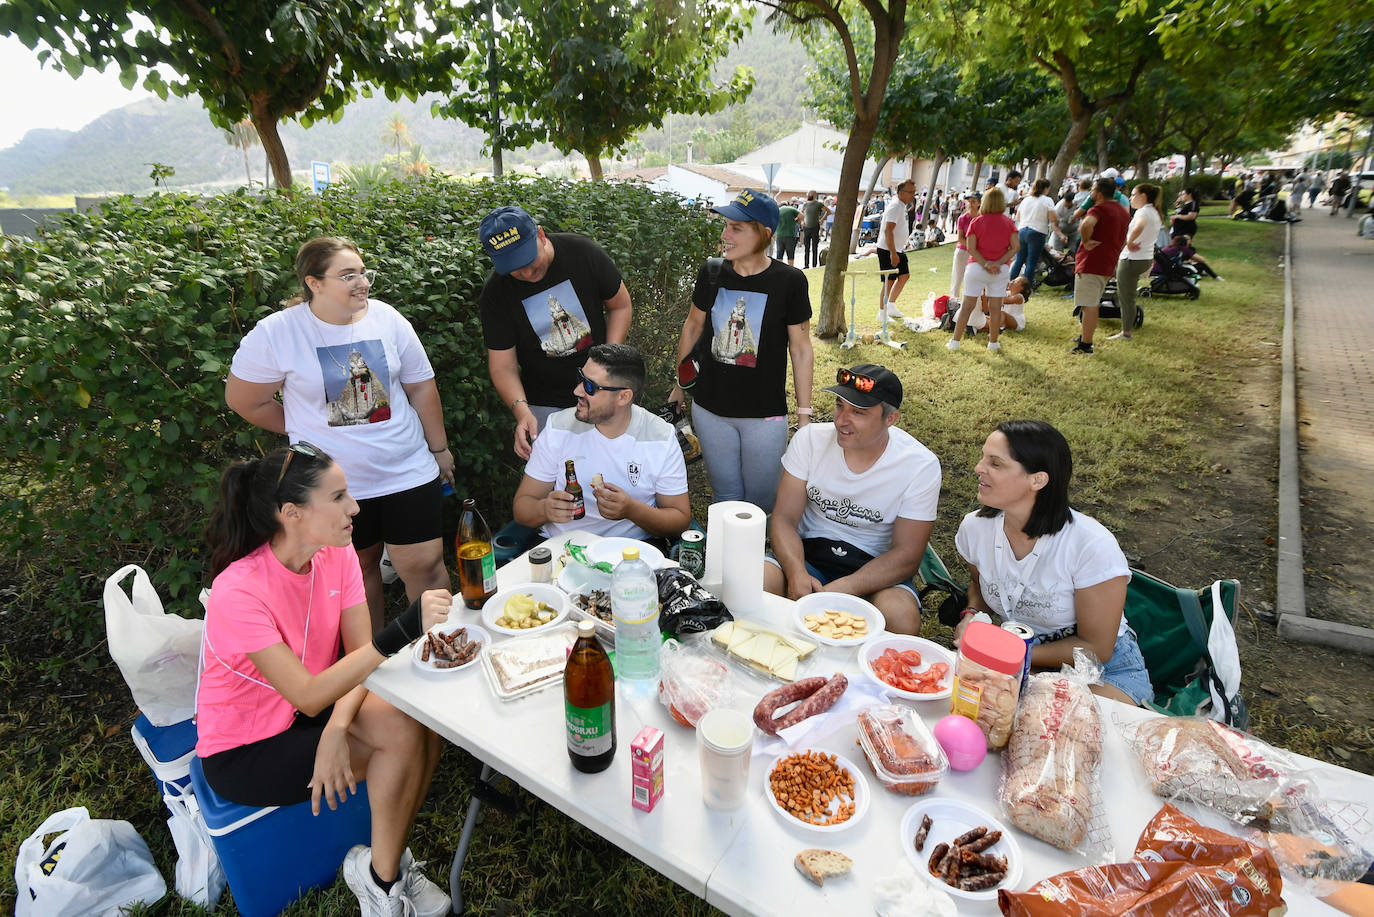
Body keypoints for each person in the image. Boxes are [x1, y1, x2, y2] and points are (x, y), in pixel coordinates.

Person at [197, 444, 452, 917]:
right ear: (292, 513)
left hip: (307, 714)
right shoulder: (239, 590)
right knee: (399, 738)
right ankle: (384, 882)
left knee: (417, 722)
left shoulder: (335, 555)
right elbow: (309, 692)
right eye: (338, 497)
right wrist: (403, 629)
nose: (354, 507)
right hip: (245, 749)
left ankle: (382, 872)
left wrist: (337, 729)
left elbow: (359, 660)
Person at [226, 237, 453, 633]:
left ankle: (443, 649)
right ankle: (371, 672)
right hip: (332, 486)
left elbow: (421, 386)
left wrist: (440, 449)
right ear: (313, 283)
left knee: (425, 567)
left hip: (407, 470)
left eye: (363, 273)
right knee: (356, 575)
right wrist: (300, 427)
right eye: (348, 275)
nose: (362, 282)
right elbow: (247, 401)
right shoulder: (278, 333)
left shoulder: (387, 318)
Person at [952, 421, 1155, 706]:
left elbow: (1097, 648)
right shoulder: (976, 528)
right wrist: (972, 613)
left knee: (1046, 725)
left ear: (1038, 480)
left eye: (995, 464)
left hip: (1102, 672)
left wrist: (1009, 651)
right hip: (1019, 659)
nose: (978, 468)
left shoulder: (1090, 545)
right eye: (983, 457)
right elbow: (978, 585)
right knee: (977, 711)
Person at [764, 365, 940, 636]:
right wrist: (797, 572)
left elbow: (907, 555)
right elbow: (784, 518)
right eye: (839, 405)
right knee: (755, 580)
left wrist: (845, 588)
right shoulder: (810, 439)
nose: (841, 420)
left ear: (890, 419)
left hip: (875, 569)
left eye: (858, 412)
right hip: (807, 556)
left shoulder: (919, 465)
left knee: (901, 618)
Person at [668, 189, 813, 512]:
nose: (725, 235)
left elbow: (801, 349)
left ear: (764, 234)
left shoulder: (789, 281)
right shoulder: (712, 272)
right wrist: (680, 385)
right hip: (710, 410)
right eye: (726, 226)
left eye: (736, 228)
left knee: (762, 503)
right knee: (725, 497)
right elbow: (693, 327)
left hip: (764, 415)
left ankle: (761, 561)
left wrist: (804, 418)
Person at [477, 205, 633, 460]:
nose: (526, 273)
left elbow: (620, 305)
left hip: (606, 391)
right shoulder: (496, 293)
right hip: (545, 403)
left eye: (529, 260)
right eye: (514, 268)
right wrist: (521, 411)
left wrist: (609, 362)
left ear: (540, 235)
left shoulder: (582, 253)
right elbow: (502, 366)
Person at [514, 343, 690, 541]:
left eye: (590, 386)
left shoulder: (659, 437)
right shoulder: (559, 427)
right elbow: (522, 508)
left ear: (624, 397)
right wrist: (544, 509)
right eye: (580, 378)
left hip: (631, 554)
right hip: (563, 550)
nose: (577, 391)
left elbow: (680, 520)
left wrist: (632, 510)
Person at [948, 186, 1019, 353]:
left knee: (967, 305)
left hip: (976, 268)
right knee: (995, 308)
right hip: (1000, 270)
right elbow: (1015, 247)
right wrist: (999, 262)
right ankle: (993, 343)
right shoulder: (1009, 223)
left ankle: (955, 342)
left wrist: (986, 263)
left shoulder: (976, 221)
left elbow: (971, 248)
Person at [1071, 177, 1130, 355]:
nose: (1091, 193)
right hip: (1108, 261)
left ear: (1099, 193)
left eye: (1093, 190)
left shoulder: (1098, 209)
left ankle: (1086, 344)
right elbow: (1124, 238)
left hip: (1092, 261)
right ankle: (1084, 337)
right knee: (1091, 301)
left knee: (1089, 304)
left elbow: (1086, 224)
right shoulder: (1122, 211)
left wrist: (1086, 241)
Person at [1111, 182, 1164, 342]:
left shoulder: (1144, 212)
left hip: (1132, 259)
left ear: (1143, 196)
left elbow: (1139, 226)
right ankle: (1126, 329)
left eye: (1134, 194)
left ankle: (1126, 332)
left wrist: (1130, 241)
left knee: (1126, 297)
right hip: (1144, 258)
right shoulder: (1154, 212)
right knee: (1129, 295)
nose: (1131, 198)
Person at [876, 180, 918, 320]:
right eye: (910, 192)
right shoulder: (895, 206)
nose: (913, 195)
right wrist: (893, 253)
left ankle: (891, 305)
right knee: (889, 281)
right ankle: (882, 313)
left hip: (897, 249)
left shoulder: (901, 206)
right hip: (888, 249)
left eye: (914, 191)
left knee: (904, 276)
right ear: (901, 193)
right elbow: (888, 231)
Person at [1008, 178, 1059, 286]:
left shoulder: (1026, 199)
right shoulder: (1047, 200)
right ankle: (1026, 286)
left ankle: (1010, 283)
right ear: (1045, 189)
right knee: (1031, 261)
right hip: (1037, 231)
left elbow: (1018, 217)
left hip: (1022, 230)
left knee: (1019, 260)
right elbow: (1053, 218)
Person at [948, 191, 980, 302]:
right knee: (957, 278)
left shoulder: (982, 218)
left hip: (977, 253)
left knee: (973, 279)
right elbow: (960, 238)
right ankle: (954, 302)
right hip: (963, 251)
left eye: (974, 201)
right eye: (969, 201)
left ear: (979, 203)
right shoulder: (963, 218)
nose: (970, 203)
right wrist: (972, 248)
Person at [1156, 233, 1222, 280]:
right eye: (1186, 239)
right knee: (1201, 265)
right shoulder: (1184, 249)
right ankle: (1216, 277)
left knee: (1192, 266)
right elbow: (1202, 260)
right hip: (1171, 269)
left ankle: (1201, 274)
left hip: (1160, 268)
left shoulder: (1167, 248)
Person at [801, 190, 832, 269]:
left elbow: (828, 211)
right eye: (808, 194)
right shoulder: (805, 204)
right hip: (806, 228)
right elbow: (801, 213)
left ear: (814, 195)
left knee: (815, 247)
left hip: (815, 227)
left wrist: (822, 219)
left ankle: (814, 265)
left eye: (810, 194)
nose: (809, 195)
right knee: (806, 247)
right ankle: (806, 265)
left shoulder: (818, 204)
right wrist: (802, 221)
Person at [1051, 189, 1081, 254]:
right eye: (1065, 202)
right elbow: (1054, 225)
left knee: (1074, 249)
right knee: (1057, 251)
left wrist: (1075, 219)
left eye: (1069, 203)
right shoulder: (1058, 208)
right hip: (1060, 228)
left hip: (1073, 229)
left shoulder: (1077, 204)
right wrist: (1061, 235)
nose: (1066, 204)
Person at [776, 196, 800, 266]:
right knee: (790, 255)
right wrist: (795, 221)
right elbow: (802, 217)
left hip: (779, 236)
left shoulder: (777, 211)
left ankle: (779, 270)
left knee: (779, 254)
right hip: (790, 235)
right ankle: (791, 270)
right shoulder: (791, 209)